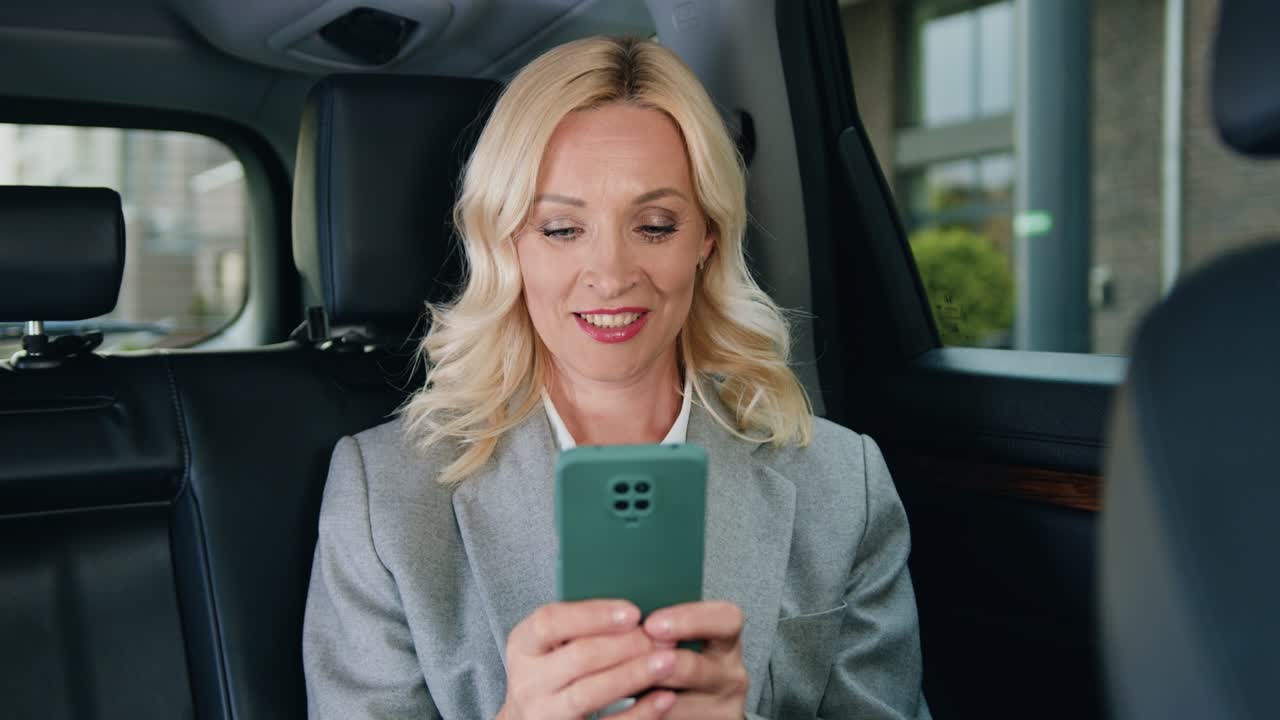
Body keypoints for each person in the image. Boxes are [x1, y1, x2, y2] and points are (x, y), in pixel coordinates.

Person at [303, 35, 930, 720]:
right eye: (561, 229)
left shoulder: (843, 485)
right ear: (508, 242)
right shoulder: (383, 497)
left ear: (707, 237)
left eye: (654, 226)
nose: (610, 275)